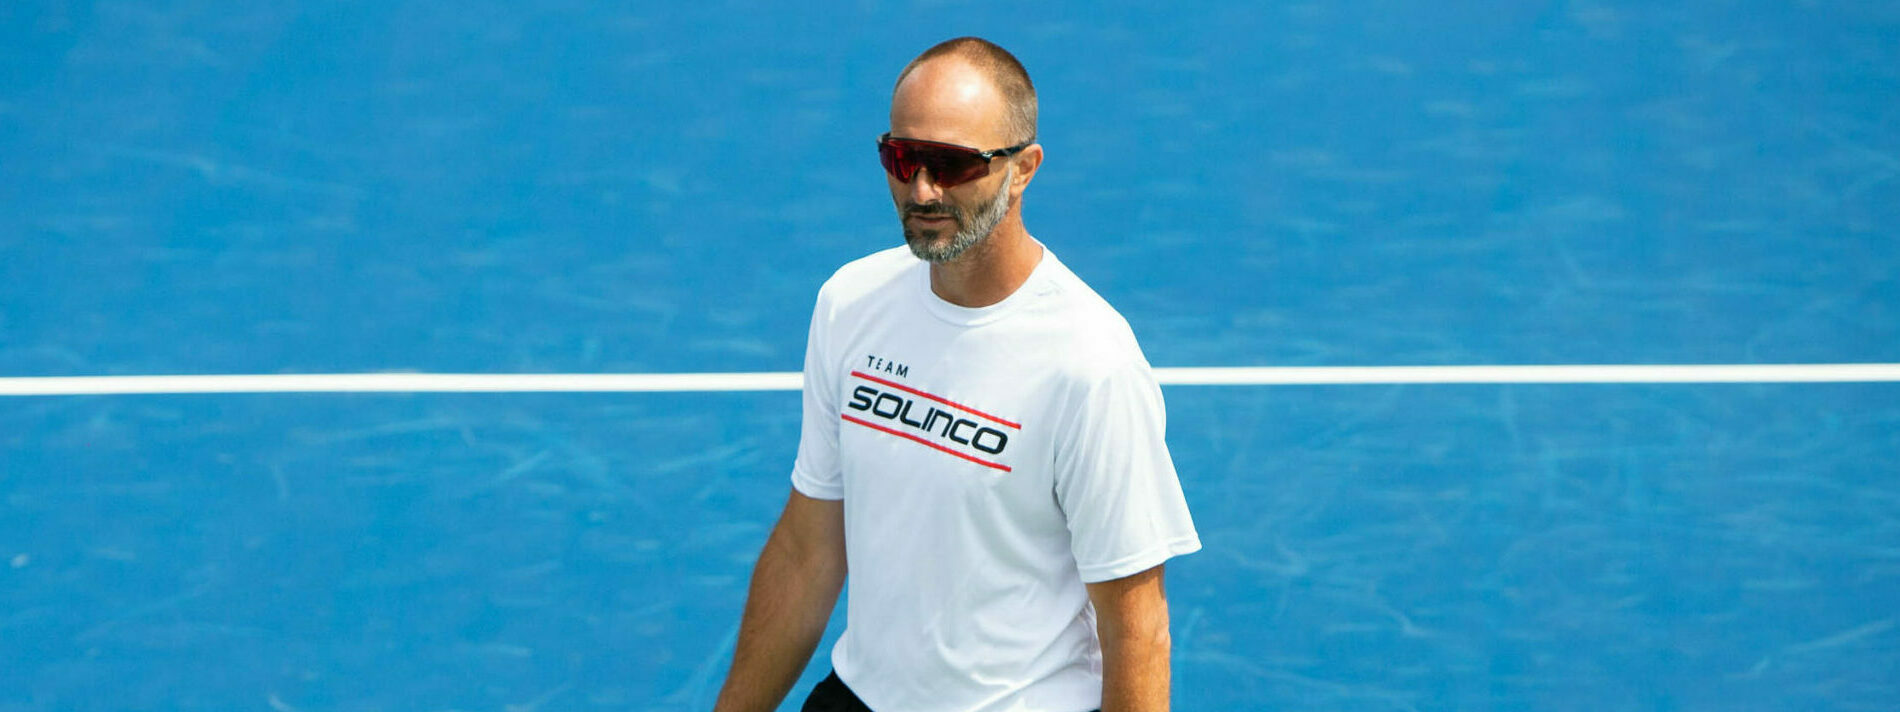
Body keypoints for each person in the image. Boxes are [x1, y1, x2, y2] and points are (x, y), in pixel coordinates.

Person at [712, 37, 1200, 712]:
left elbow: (1137, 627)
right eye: (903, 158)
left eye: (953, 164)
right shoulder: (850, 304)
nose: (922, 189)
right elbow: (808, 548)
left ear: (1023, 168)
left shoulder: (1090, 363)